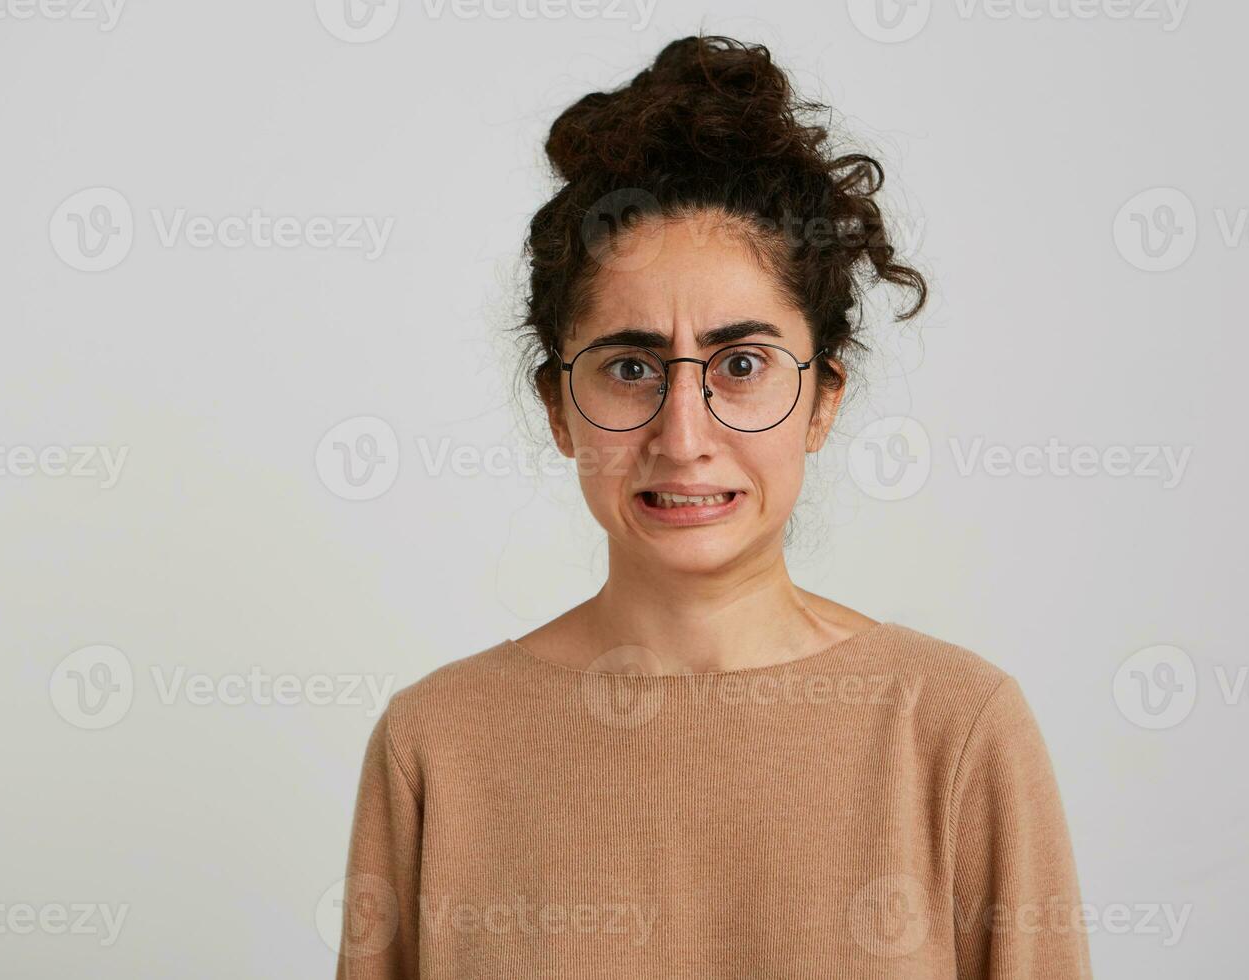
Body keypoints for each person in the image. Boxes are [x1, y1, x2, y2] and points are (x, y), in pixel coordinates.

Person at [335, 33, 1092, 979]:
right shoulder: (435, 746)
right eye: (630, 367)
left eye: (742, 365)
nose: (683, 435)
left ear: (823, 400)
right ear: (558, 409)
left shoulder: (954, 729)